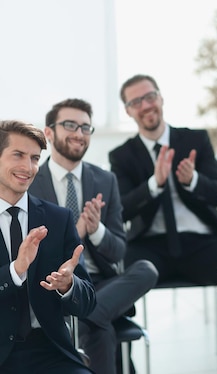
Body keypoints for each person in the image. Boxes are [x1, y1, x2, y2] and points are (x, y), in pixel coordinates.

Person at [29, 99, 158, 374]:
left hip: (102, 284)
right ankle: (91, 315)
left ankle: (88, 313)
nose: (79, 133)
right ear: (49, 133)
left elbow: (119, 251)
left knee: (146, 269)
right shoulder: (31, 183)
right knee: (101, 329)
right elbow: (32, 253)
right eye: (70, 125)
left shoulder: (105, 180)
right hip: (60, 283)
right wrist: (77, 232)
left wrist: (96, 229)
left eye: (86, 127)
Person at [109, 74, 217, 286]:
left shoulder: (196, 139)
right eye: (136, 102)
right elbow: (122, 210)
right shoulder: (121, 155)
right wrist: (154, 184)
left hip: (202, 241)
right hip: (149, 245)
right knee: (120, 279)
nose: (145, 105)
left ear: (161, 98)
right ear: (128, 110)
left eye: (150, 97)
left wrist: (192, 180)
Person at [0, 120, 96, 373]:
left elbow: (87, 302)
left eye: (34, 158)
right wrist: (16, 270)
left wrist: (69, 286)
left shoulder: (57, 218)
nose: (28, 167)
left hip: (50, 350)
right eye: (18, 155)